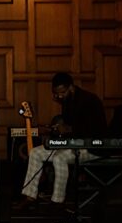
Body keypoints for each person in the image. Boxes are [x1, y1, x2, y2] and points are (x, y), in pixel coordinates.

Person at [15, 72, 107, 209]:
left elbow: (94, 130)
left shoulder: (90, 100)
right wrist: (55, 130)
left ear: (71, 87)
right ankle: (30, 196)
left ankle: (58, 201)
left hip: (92, 147)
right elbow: (69, 129)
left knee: (59, 158)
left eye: (61, 92)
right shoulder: (67, 102)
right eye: (56, 93)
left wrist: (69, 129)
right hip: (73, 145)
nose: (59, 96)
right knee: (35, 152)